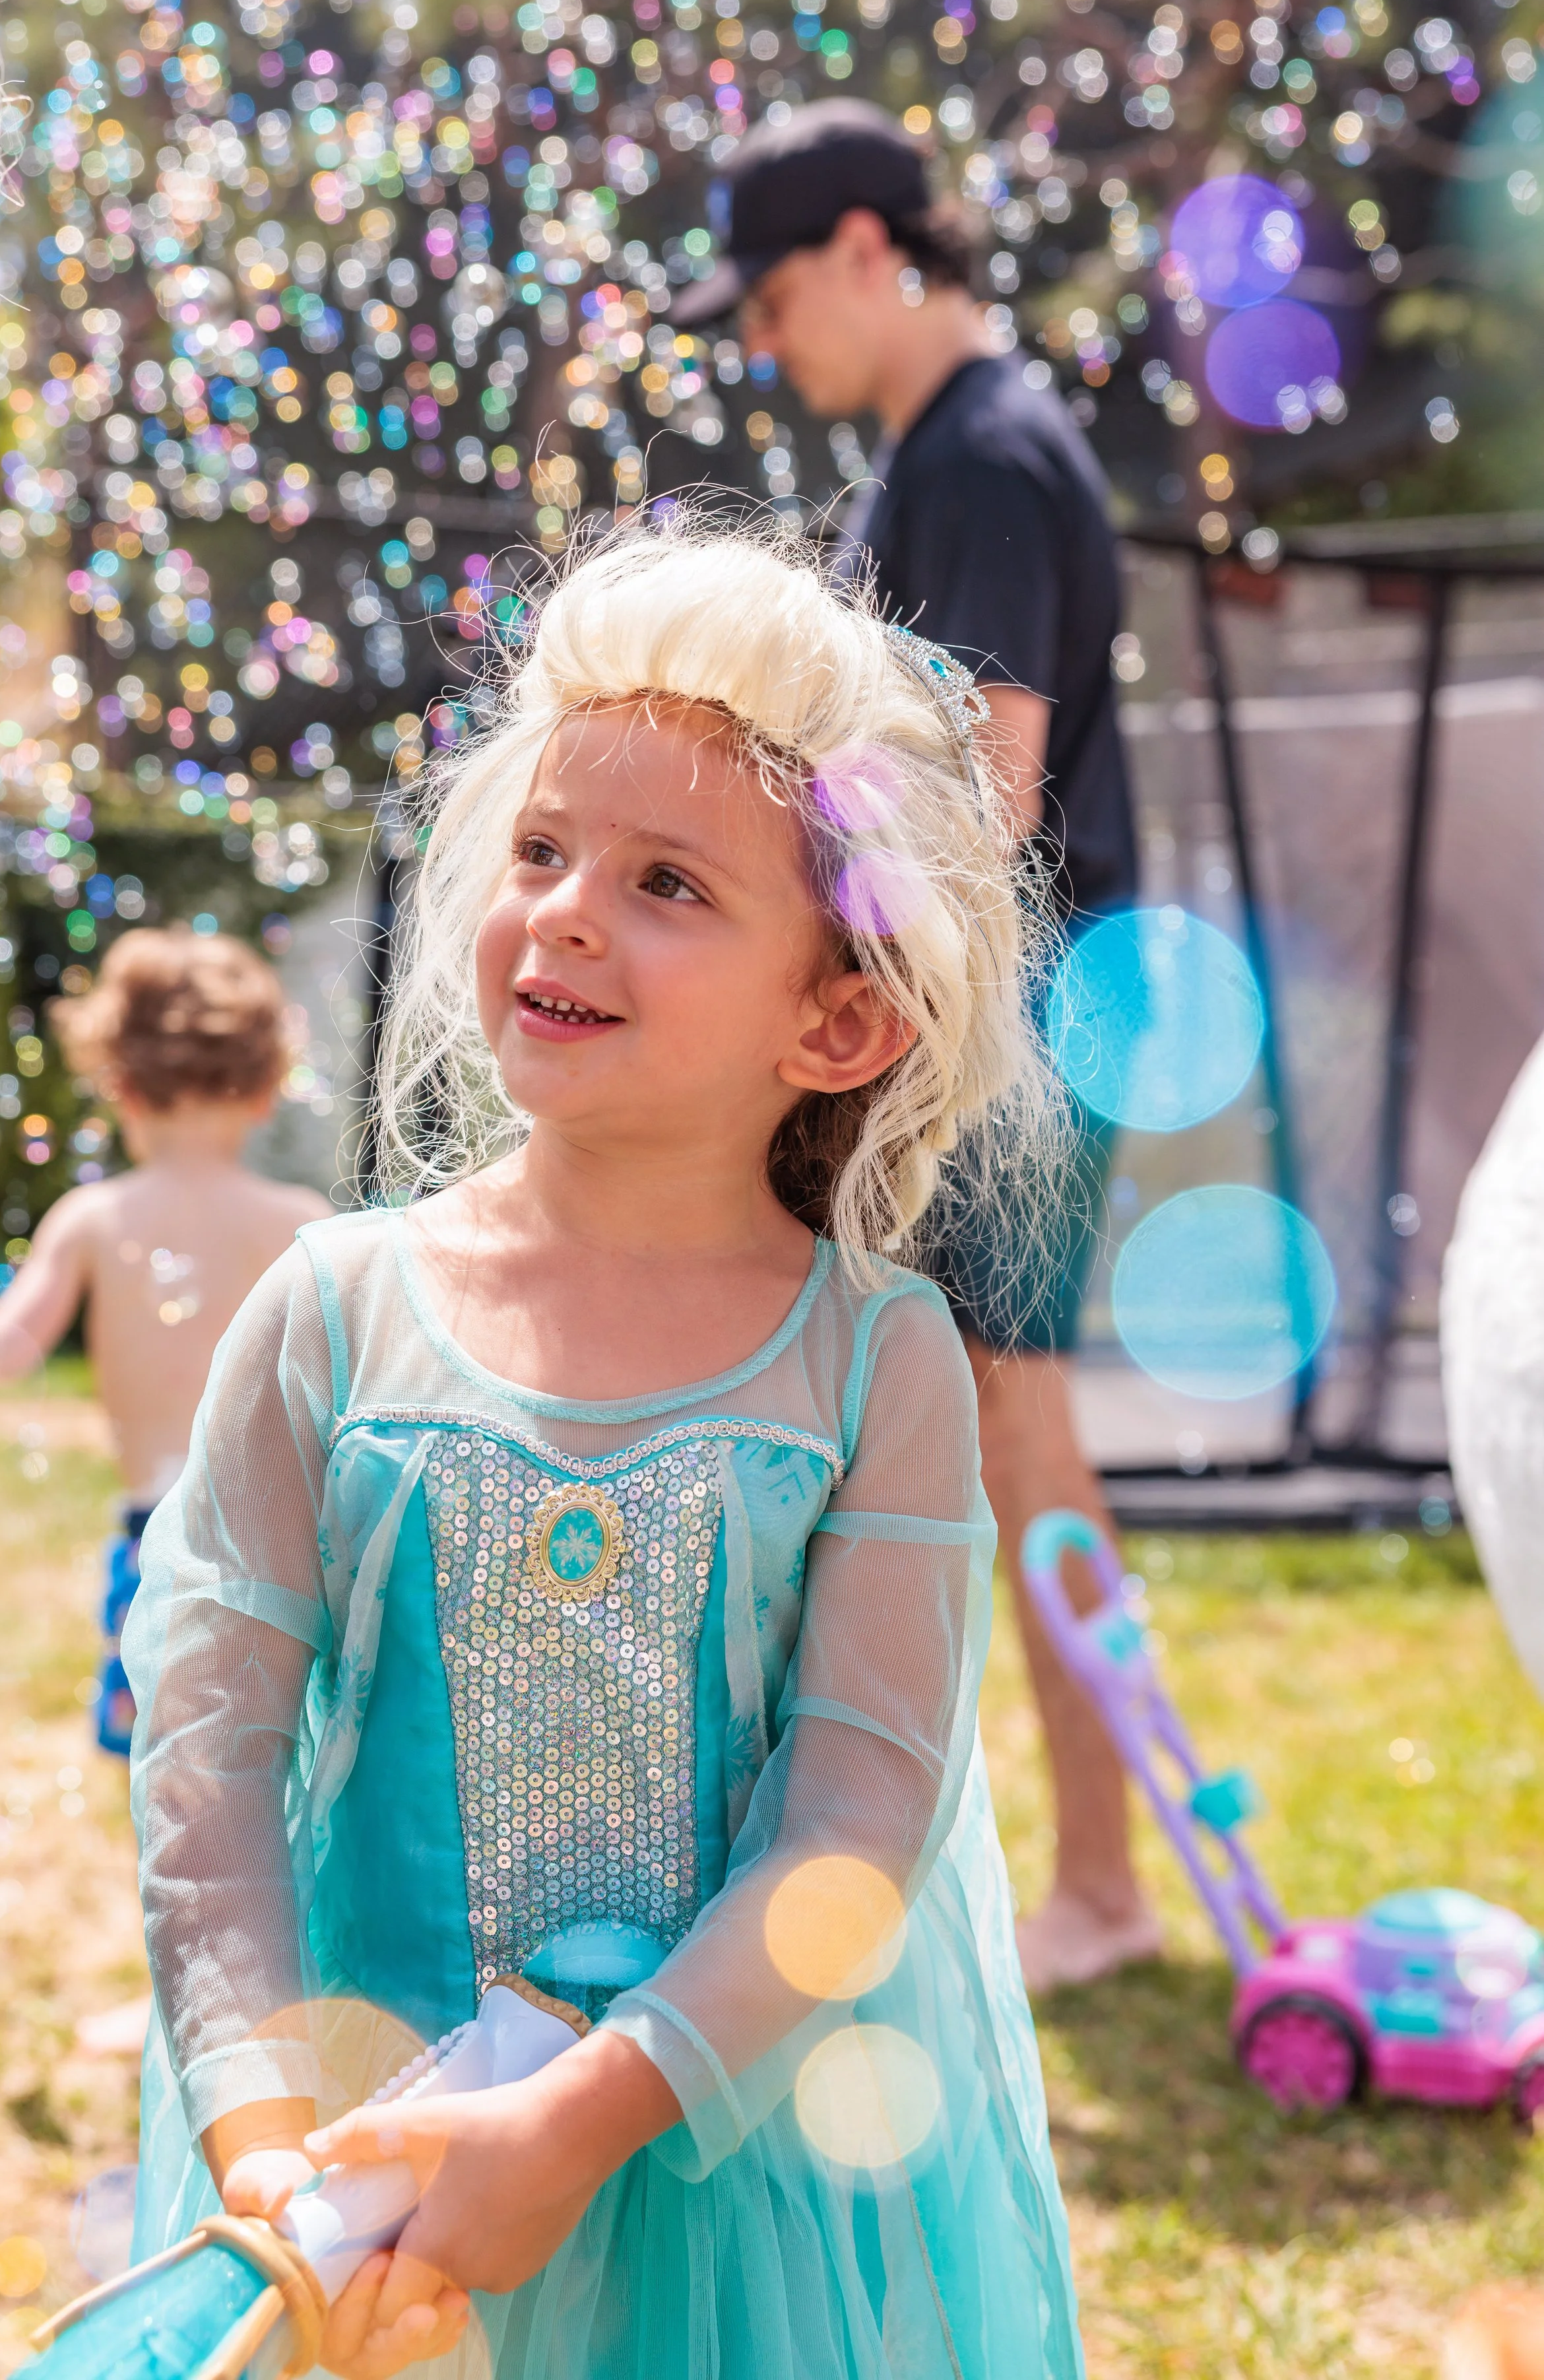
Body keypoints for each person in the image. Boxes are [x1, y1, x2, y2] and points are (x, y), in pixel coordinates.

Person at [122, 521, 1084, 2380]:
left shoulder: (873, 1362)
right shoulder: (332, 1316)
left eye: (666, 882)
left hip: (724, 2182)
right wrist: (262, 2141)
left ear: (839, 1018)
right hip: (357, 2158)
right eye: (543, 850)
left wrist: (581, 2119)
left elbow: (854, 1826)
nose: (561, 908)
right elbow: (207, 1754)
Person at [674, 100, 1155, 1994]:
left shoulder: (976, 458)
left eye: (778, 293)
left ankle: (1095, 1883)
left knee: (1003, 1431)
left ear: (876, 248)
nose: (760, 339)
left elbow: (986, 789)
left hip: (1000, 1034)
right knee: (975, 1433)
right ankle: (1017, 1866)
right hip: (1002, 1021)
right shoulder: (957, 451)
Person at [0, 926, 331, 1770]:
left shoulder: (94, 1217)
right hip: (279, 1544)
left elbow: (6, 1349)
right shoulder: (300, 1222)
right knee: (272, 1767)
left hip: (158, 1541)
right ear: (265, 1088)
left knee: (166, 1770)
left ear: (118, 1083)